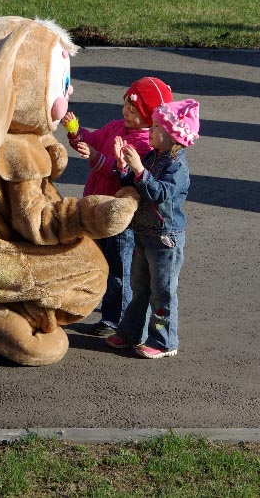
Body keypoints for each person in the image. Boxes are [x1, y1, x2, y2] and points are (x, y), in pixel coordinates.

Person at [61, 77, 173, 337]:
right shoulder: (115, 127)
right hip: (96, 209)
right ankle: (105, 306)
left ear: (149, 115)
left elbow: (123, 173)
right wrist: (76, 131)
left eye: (132, 110)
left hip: (118, 216)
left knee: (118, 268)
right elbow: (91, 140)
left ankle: (116, 318)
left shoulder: (147, 143)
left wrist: (96, 157)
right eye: (125, 105)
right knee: (96, 260)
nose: (125, 112)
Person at [105, 98, 200, 359]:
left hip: (165, 239)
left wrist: (138, 170)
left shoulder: (176, 167)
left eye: (157, 127)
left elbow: (159, 194)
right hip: (143, 234)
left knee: (162, 292)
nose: (151, 131)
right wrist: (123, 167)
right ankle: (130, 332)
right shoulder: (152, 156)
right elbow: (135, 186)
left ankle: (163, 341)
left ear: (173, 137)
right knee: (140, 288)